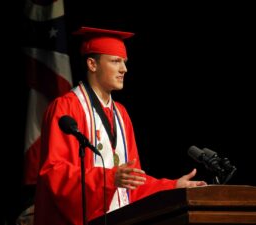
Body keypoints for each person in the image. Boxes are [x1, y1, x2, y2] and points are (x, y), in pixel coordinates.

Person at [34, 26, 207, 225]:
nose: (124, 69)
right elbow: (56, 174)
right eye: (116, 61)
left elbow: (132, 182)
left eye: (124, 62)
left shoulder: (121, 114)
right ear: (92, 64)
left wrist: (173, 186)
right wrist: (109, 179)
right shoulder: (66, 108)